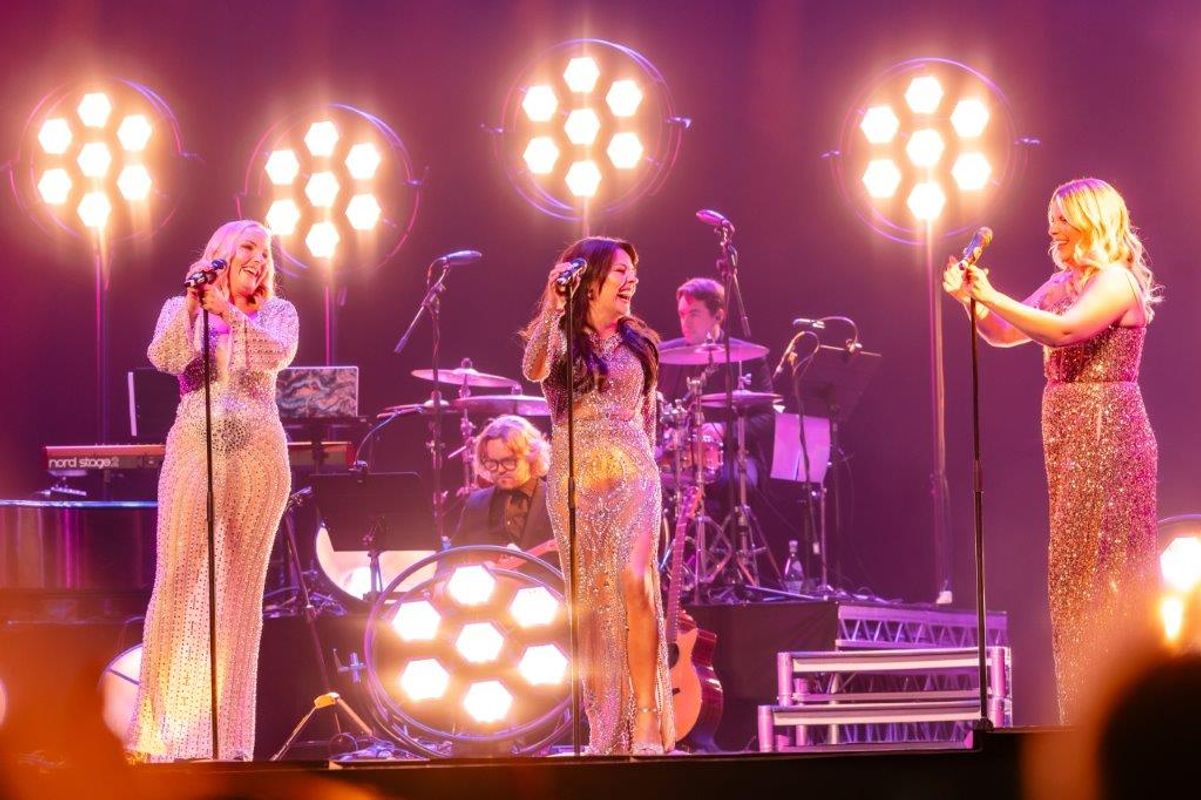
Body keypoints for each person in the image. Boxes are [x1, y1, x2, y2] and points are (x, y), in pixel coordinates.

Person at [942, 178, 1160, 723]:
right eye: (1050, 216)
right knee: (1073, 578)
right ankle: (1083, 716)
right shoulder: (1066, 281)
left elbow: (1063, 333)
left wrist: (992, 294)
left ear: (1090, 218)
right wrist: (971, 302)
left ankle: (1126, 715)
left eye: (1061, 216)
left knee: (1107, 573)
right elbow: (1004, 333)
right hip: (1067, 437)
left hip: (1109, 434)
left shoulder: (1115, 280)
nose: (1052, 227)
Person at [127, 220, 299, 761]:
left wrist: (230, 314)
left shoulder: (279, 312)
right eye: (249, 247)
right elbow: (163, 355)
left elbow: (274, 356)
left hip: (258, 454)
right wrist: (197, 305)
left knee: (240, 595)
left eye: (267, 252)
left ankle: (229, 741)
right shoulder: (180, 306)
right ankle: (158, 735)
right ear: (219, 254)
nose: (260, 259)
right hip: (195, 447)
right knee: (177, 581)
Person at [522, 236, 675, 755]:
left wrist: (653, 483)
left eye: (634, 272)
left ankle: (649, 719)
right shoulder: (560, 338)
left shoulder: (640, 343)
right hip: (575, 480)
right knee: (590, 609)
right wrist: (555, 301)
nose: (632, 280)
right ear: (589, 281)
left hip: (633, 472)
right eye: (620, 272)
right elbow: (533, 368)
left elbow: (647, 418)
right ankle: (606, 727)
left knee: (636, 584)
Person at [454, 414, 554, 555]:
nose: (500, 469)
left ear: (531, 456)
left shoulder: (558, 502)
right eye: (492, 462)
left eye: (508, 461)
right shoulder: (474, 504)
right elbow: (449, 560)